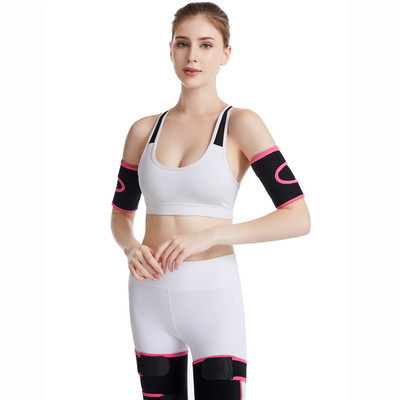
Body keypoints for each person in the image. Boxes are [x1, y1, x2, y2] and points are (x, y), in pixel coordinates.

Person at [110, 2, 311, 399]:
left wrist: (210, 236)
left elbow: (297, 217)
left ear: (225, 54)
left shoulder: (241, 124)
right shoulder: (143, 131)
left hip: (213, 296)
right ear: (170, 50)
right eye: (182, 44)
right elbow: (120, 215)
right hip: (148, 295)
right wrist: (130, 247)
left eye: (206, 45)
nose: (192, 56)